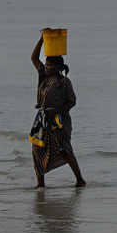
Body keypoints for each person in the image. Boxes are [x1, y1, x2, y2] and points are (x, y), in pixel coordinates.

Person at [29, 37, 85, 188]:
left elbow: (72, 101)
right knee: (37, 150)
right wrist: (42, 39)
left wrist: (57, 111)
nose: (46, 67)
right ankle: (41, 184)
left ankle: (80, 180)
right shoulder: (43, 77)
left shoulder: (64, 82)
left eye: (49, 66)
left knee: (65, 149)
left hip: (59, 121)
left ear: (58, 66)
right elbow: (33, 57)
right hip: (41, 119)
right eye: (46, 65)